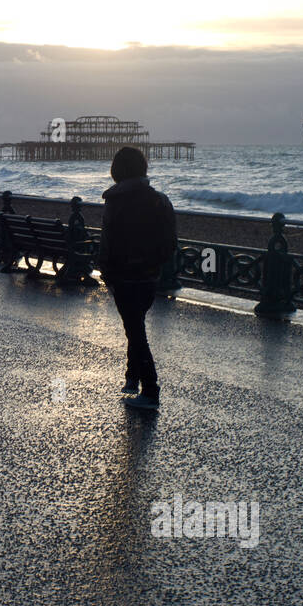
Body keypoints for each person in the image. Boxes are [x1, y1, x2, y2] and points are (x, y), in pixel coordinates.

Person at [97, 145, 177, 411]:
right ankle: (132, 378)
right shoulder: (160, 200)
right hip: (150, 276)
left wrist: (105, 272)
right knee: (136, 324)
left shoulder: (116, 201)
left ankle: (151, 390)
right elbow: (171, 242)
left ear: (117, 170)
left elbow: (107, 242)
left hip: (124, 276)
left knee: (135, 331)